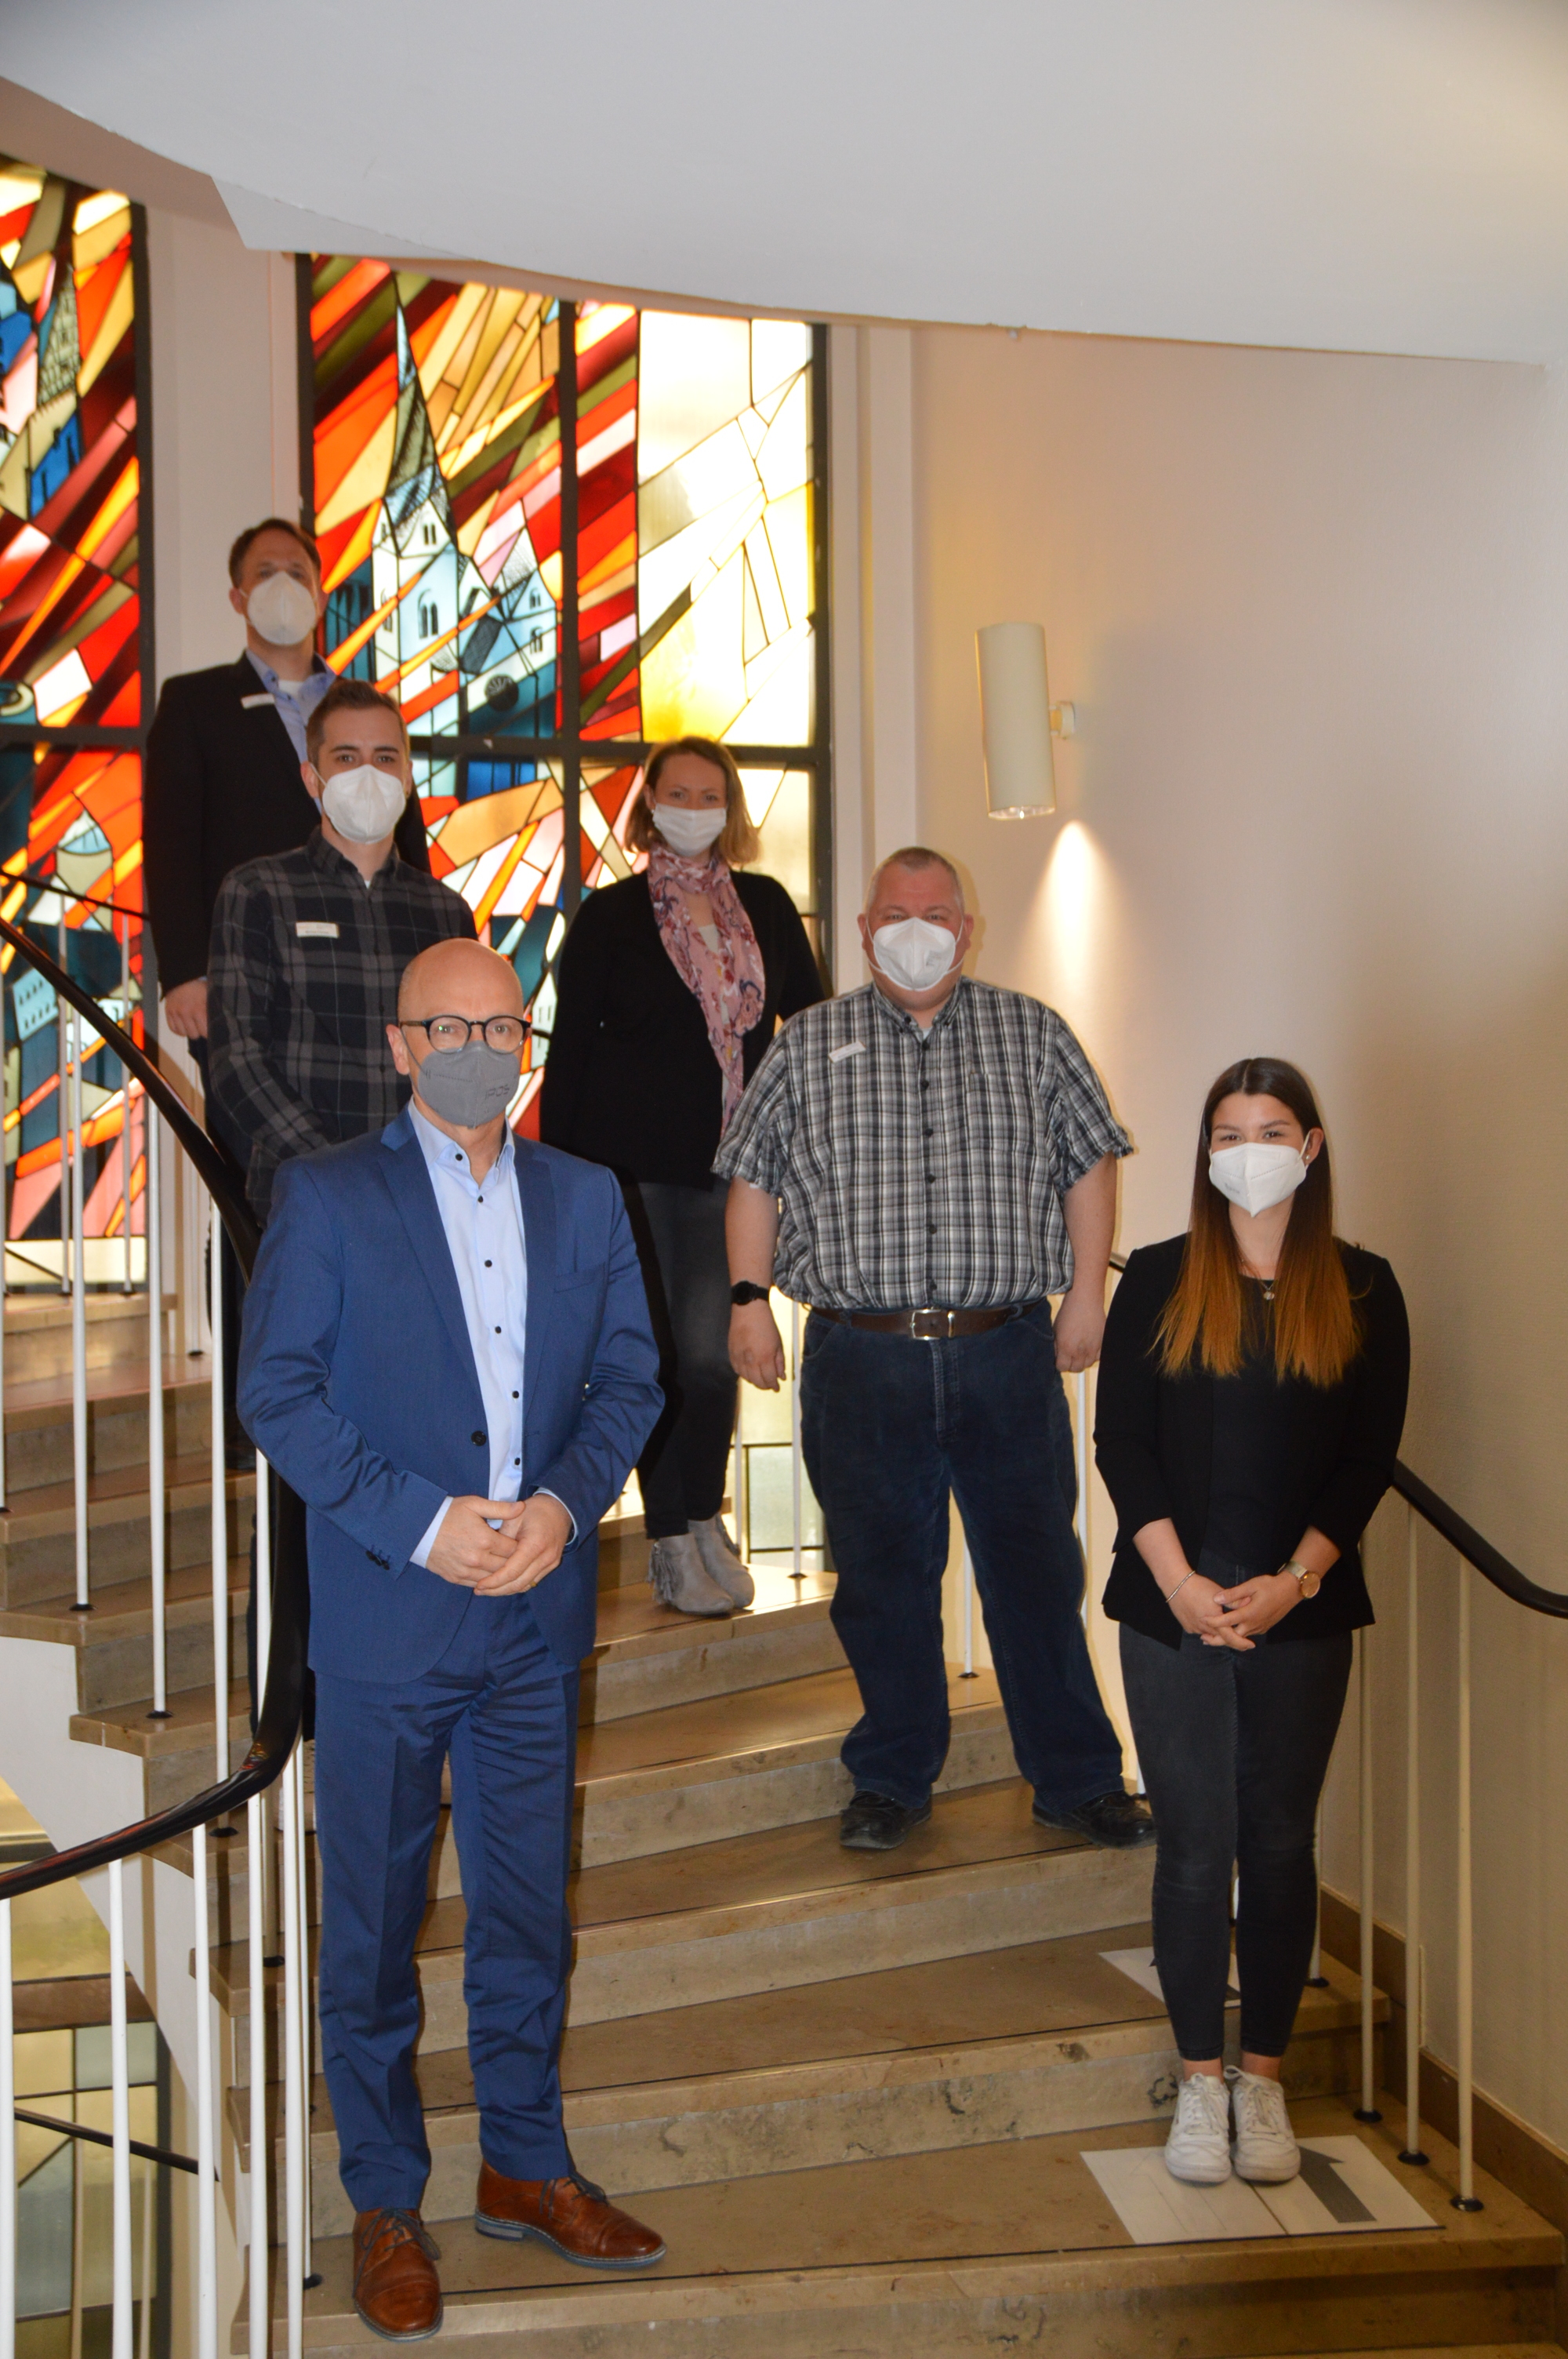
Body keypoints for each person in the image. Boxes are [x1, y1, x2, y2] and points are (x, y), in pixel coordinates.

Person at [238, 937, 666, 2342]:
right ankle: (383, 2196)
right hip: (388, 1618)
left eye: (503, 1021)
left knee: (527, 1917)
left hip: (534, 1620)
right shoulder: (325, 1196)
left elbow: (628, 1378)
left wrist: (562, 1503)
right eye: (450, 1023)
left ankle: (524, 2163)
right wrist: (424, 1524)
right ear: (403, 1044)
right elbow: (279, 1395)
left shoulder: (587, 1195)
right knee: (368, 1935)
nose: (480, 1043)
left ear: (523, 1042)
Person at [717, 846, 1151, 1854]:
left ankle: (1078, 1779)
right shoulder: (805, 1043)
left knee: (1036, 1571)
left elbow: (1088, 1160)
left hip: (1005, 1349)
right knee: (880, 1579)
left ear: (967, 928)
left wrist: (1086, 1293)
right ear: (864, 930)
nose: (917, 928)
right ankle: (890, 1776)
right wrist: (747, 1301)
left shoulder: (1032, 1033)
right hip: (858, 1361)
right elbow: (752, 1179)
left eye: (937, 912)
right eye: (895, 913)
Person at [1094, 1057, 1409, 2190]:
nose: (1248, 1148)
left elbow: (1367, 1461)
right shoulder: (1165, 1278)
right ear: (1205, 1151)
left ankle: (1262, 2081)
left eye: (1270, 1128)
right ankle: (1198, 2083)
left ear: (1311, 1147)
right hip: (1172, 1605)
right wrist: (1181, 1583)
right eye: (1227, 1131)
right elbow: (1120, 1444)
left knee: (1280, 1844)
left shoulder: (1364, 1288)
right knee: (1193, 1847)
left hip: (1300, 1612)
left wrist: (1297, 1580)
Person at [145, 518, 430, 1450]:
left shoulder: (362, 708)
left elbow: (403, 845)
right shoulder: (196, 701)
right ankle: (257, 1416)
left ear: (320, 586)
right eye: (262, 573)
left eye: (296, 571)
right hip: (250, 968)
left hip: (374, 960)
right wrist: (182, 968)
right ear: (236, 595)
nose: (282, 585)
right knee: (255, 1191)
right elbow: (172, 834)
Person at [540, 736, 824, 1617]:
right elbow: (569, 1057)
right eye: (676, 792)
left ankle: (703, 1514)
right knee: (655, 1360)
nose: (692, 806)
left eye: (710, 793)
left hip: (736, 1173)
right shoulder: (611, 915)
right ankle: (670, 1534)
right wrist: (560, 1185)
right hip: (628, 1180)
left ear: (730, 809)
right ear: (649, 803)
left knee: (716, 1357)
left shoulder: (769, 908)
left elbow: (806, 1032)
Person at [206, 678, 475, 1227]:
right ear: (313, 776)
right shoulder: (257, 891)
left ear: (407, 776)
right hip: (301, 1196)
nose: (368, 774)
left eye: (384, 758)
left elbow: (464, 1058)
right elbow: (237, 1060)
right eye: (347, 758)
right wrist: (338, 1167)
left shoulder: (446, 912)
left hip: (426, 1199)